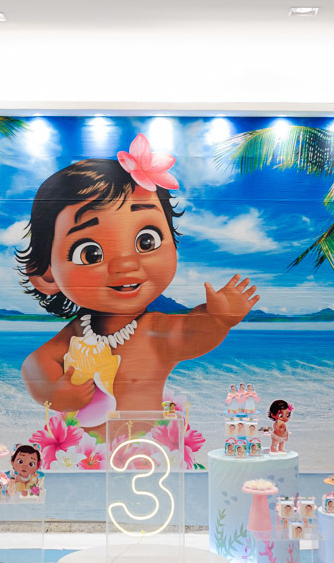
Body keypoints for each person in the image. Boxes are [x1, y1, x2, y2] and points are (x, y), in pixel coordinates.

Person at [17, 133, 259, 434]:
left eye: (147, 241)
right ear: (47, 275)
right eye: (90, 253)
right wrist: (54, 390)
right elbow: (35, 364)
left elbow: (191, 334)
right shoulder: (78, 333)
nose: (126, 264)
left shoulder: (155, 330)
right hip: (84, 453)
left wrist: (218, 319)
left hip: (147, 448)